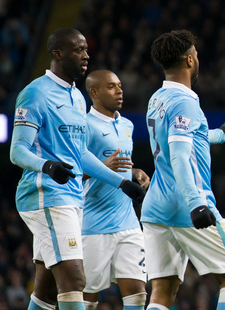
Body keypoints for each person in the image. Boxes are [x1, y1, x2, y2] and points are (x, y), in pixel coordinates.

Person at [9, 28, 145, 310]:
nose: (86, 55)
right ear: (58, 53)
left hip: (72, 198)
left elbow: (80, 153)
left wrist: (121, 183)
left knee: (45, 291)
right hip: (45, 195)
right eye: (78, 50)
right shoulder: (35, 93)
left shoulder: (77, 98)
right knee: (74, 279)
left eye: (86, 50)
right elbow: (17, 151)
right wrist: (46, 165)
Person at [141, 29, 225, 310]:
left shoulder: (157, 98)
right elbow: (179, 155)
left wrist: (219, 136)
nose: (198, 60)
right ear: (189, 61)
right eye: (196, 55)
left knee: (163, 291)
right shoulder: (185, 102)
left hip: (155, 208)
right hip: (186, 205)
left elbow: (182, 138)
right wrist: (196, 203)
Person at [81, 69, 151, 310]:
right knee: (87, 298)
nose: (119, 90)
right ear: (94, 92)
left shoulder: (127, 125)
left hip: (128, 223)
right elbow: (69, 174)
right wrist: (101, 167)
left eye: (120, 85)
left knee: (137, 294)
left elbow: (120, 166)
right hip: (92, 225)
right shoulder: (84, 126)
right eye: (111, 86)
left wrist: (134, 173)